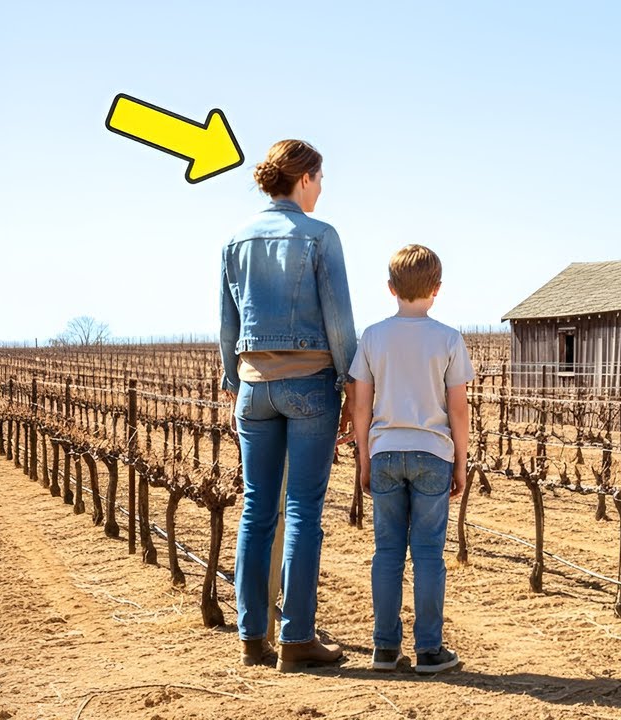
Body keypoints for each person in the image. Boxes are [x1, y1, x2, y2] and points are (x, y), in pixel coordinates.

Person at [219, 139, 357, 672]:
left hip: (253, 386)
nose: (322, 188)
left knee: (256, 510)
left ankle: (251, 638)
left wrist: (233, 379)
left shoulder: (236, 239)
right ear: (304, 179)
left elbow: (227, 321)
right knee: (302, 511)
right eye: (320, 178)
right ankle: (297, 639)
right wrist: (349, 384)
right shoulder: (320, 236)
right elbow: (338, 320)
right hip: (309, 384)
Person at [348, 244, 472, 674]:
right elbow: (458, 409)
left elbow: (360, 407)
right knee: (428, 554)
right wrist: (460, 463)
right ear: (437, 289)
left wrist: (365, 459)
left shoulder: (372, 337)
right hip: (433, 454)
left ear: (390, 288)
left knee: (386, 552)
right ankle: (429, 650)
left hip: (384, 452)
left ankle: (384, 649)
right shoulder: (449, 339)